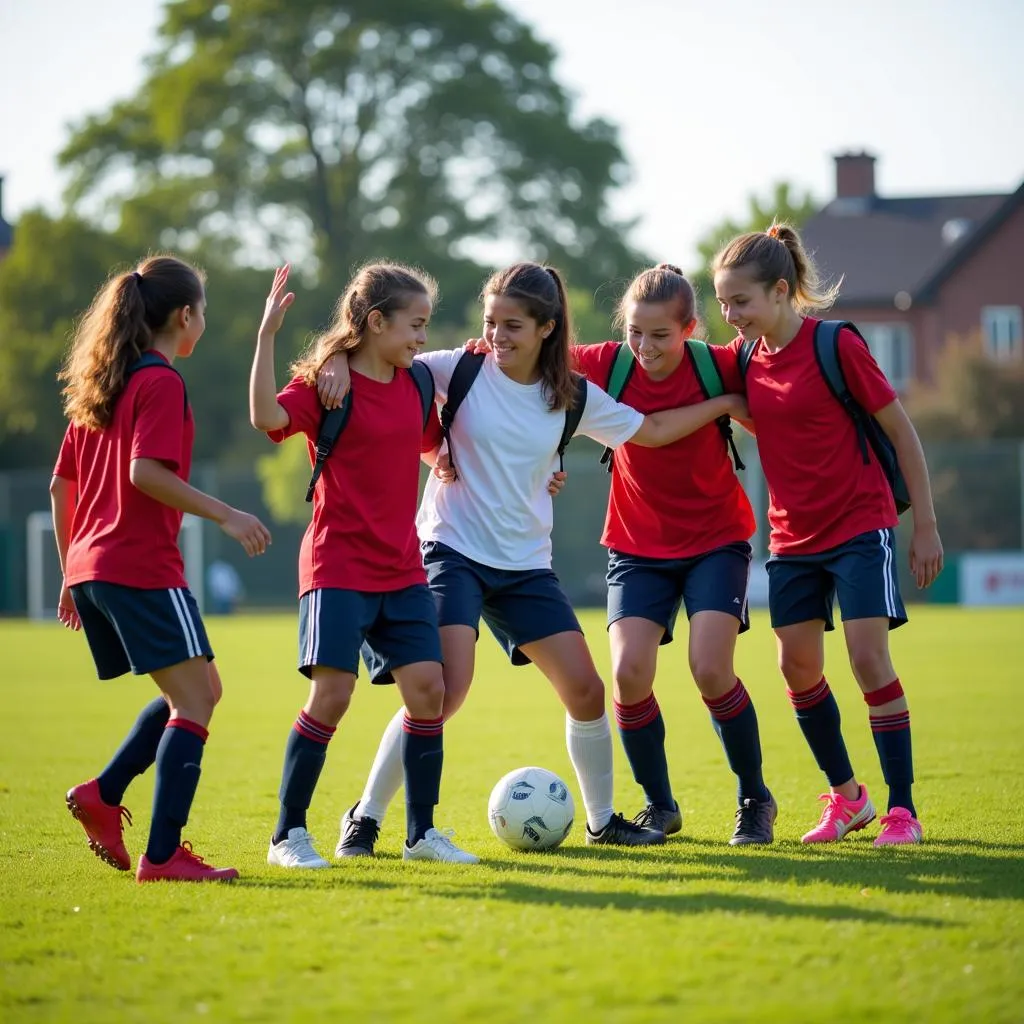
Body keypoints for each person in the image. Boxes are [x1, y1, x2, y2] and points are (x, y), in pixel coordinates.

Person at [317, 261, 748, 855]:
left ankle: (601, 822)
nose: (497, 336)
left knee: (587, 690)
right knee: (442, 692)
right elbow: (383, 361)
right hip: (452, 550)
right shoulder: (455, 369)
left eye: (513, 325)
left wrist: (724, 402)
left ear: (547, 328)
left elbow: (647, 431)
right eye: (491, 322)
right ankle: (365, 818)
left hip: (525, 566)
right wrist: (337, 357)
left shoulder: (570, 395)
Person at [713, 224, 943, 846]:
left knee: (868, 658)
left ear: (781, 291)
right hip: (790, 540)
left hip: (861, 526)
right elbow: (762, 420)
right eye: (723, 302)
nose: (730, 316)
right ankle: (849, 799)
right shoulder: (744, 358)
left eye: (742, 302)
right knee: (796, 667)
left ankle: (901, 809)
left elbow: (901, 431)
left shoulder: (836, 345)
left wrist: (924, 523)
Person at [252, 262, 478, 868]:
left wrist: (451, 464)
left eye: (427, 327)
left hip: (402, 566)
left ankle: (421, 835)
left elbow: (428, 442)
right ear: (376, 322)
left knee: (429, 691)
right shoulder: (325, 385)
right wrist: (267, 336)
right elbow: (267, 420)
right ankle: (287, 837)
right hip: (337, 564)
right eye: (415, 325)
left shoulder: (415, 385)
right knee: (332, 694)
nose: (422, 339)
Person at [53, 255, 271, 883]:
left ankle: (103, 794)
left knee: (198, 690)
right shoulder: (160, 382)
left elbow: (58, 486)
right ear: (185, 316)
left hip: (95, 565)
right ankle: (163, 854)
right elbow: (144, 474)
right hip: (139, 565)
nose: (203, 321)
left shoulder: (102, 384)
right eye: (204, 310)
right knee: (197, 698)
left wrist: (72, 569)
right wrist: (226, 513)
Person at [567, 264, 776, 844]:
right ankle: (660, 806)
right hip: (636, 546)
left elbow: (777, 405)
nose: (645, 346)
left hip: (717, 540)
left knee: (710, 669)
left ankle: (755, 798)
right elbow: (524, 353)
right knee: (628, 674)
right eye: (636, 331)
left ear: (689, 329)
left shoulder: (719, 364)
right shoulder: (606, 363)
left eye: (660, 334)